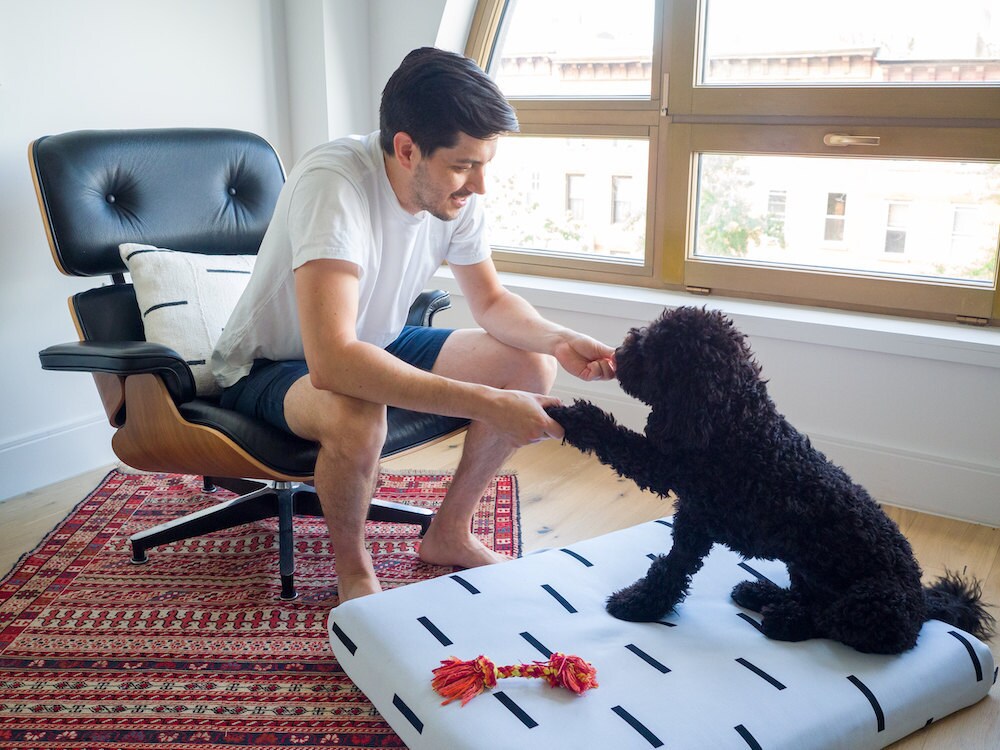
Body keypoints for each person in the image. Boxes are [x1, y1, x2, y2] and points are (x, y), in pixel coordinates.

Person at [211, 47, 615, 602]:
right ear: (406, 149)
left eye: (483, 164)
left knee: (529, 365)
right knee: (356, 408)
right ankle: (354, 573)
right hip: (272, 365)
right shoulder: (335, 184)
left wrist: (558, 338)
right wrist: (487, 403)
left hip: (378, 339)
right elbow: (332, 360)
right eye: (463, 165)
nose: (478, 185)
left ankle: (448, 532)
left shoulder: (454, 193)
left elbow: (491, 301)